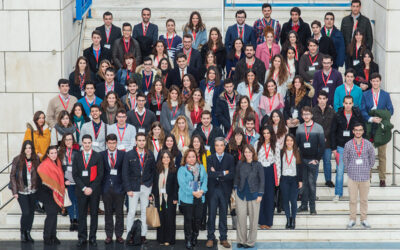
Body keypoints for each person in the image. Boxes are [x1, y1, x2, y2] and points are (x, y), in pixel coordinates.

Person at [361, 73, 394, 187]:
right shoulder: (365, 95)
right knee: (368, 154)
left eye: (377, 81)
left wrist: (381, 116)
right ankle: (368, 177)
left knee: (382, 154)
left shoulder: (385, 95)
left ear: (380, 82)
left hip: (381, 128)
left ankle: (382, 178)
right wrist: (371, 118)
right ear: (370, 82)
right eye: (373, 81)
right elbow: (362, 110)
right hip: (370, 126)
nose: (375, 83)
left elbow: (390, 110)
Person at [123, 132, 156, 245]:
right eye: (139, 140)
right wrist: (128, 189)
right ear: (136, 141)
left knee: (144, 212)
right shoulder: (129, 155)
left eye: (143, 140)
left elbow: (153, 171)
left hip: (146, 187)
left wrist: (151, 183)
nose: (141, 142)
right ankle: (129, 235)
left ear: (145, 142)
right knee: (131, 212)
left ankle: (143, 235)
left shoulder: (150, 154)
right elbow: (125, 173)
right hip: (133, 188)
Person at [331, 95, 365, 201]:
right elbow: (332, 132)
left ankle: (354, 194)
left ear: (353, 104)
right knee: (340, 171)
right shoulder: (337, 115)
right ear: (343, 104)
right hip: (340, 147)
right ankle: (338, 193)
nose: (348, 105)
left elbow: (363, 129)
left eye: (350, 103)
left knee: (354, 171)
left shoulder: (358, 115)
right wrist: (334, 148)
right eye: (346, 103)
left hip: (354, 147)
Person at [73, 135, 104, 247]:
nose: (87, 145)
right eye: (85, 143)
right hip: (81, 191)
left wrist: (91, 188)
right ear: (82, 143)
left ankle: (92, 237)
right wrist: (84, 188)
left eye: (89, 142)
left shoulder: (97, 156)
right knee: (82, 215)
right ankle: (82, 238)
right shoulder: (77, 156)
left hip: (94, 191)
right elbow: (75, 175)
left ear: (91, 143)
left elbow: (100, 174)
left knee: (94, 215)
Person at [343, 123, 375, 229]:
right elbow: (345, 159)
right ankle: (352, 219)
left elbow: (372, 159)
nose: (358, 132)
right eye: (356, 130)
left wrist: (367, 168)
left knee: (364, 200)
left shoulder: (368, 144)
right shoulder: (348, 144)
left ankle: (363, 219)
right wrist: (350, 168)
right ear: (353, 131)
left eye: (360, 130)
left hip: (365, 177)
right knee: (352, 200)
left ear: (363, 131)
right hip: (352, 177)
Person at [205, 138, 234, 248]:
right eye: (217, 145)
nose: (219, 147)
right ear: (214, 146)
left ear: (224, 146)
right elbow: (209, 174)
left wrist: (216, 173)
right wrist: (223, 173)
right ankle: (210, 237)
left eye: (221, 145)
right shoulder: (210, 158)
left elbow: (231, 174)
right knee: (211, 215)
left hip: (225, 190)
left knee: (223, 215)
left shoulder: (230, 158)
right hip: (213, 190)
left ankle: (223, 238)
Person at [296, 106, 325, 215]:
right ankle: (304, 206)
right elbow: (296, 145)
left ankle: (312, 207)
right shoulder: (299, 128)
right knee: (303, 185)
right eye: (304, 114)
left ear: (312, 115)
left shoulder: (318, 128)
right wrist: (299, 160)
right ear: (302, 116)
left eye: (308, 114)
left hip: (313, 161)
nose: (306, 116)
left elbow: (322, 145)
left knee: (312, 185)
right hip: (302, 160)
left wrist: (316, 160)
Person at [234, 144, 264, 248]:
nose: (247, 154)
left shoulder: (258, 165)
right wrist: (235, 190)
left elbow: (262, 181)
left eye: (249, 152)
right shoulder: (240, 164)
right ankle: (241, 240)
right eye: (245, 152)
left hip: (254, 195)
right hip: (241, 195)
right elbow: (236, 177)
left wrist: (260, 194)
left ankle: (250, 242)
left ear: (253, 153)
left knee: (253, 220)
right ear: (243, 153)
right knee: (241, 218)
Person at [10, 140, 40, 242]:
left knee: (31, 212)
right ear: (24, 149)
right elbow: (13, 175)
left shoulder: (36, 159)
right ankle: (22, 232)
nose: (28, 150)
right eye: (26, 148)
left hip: (33, 191)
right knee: (26, 212)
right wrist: (14, 191)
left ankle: (28, 232)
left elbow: (40, 174)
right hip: (21, 191)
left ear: (32, 149)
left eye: (30, 148)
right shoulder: (17, 159)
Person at [177, 149, 208, 249]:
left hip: (199, 197)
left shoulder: (201, 167)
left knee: (198, 219)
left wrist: (202, 191)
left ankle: (195, 235)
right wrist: (193, 192)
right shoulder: (182, 169)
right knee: (188, 220)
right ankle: (188, 239)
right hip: (187, 199)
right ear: (185, 158)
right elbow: (183, 184)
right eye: (189, 157)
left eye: (193, 156)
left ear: (196, 157)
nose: (191, 159)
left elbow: (205, 180)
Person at [37, 146, 65, 245]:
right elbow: (41, 182)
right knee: (51, 215)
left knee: (54, 215)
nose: (54, 155)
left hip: (56, 193)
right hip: (47, 194)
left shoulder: (57, 163)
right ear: (47, 154)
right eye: (51, 153)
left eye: (55, 153)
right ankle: (47, 237)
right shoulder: (44, 165)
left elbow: (59, 177)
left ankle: (53, 236)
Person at [101, 134, 126, 244]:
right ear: (106, 143)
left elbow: (124, 172)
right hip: (106, 188)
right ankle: (109, 235)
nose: (111, 145)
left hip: (119, 189)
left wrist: (124, 188)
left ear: (117, 143)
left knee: (119, 213)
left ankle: (119, 235)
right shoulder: (101, 155)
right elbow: (100, 173)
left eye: (113, 143)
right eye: (109, 143)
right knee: (108, 213)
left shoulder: (122, 155)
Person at [256, 125, 280, 229]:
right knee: (261, 196)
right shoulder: (257, 143)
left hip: (270, 171)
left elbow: (278, 161)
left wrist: (278, 177)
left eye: (268, 133)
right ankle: (261, 221)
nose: (266, 135)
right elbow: (255, 159)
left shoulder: (276, 144)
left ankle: (268, 222)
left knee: (270, 197)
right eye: (264, 133)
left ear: (271, 134)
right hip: (260, 170)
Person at [152, 150, 178, 246]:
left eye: (168, 157)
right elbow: (154, 184)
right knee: (161, 218)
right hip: (159, 198)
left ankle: (169, 239)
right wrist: (152, 196)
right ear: (161, 159)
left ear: (170, 159)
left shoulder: (174, 170)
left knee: (170, 219)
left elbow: (176, 185)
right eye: (164, 157)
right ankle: (161, 239)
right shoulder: (157, 170)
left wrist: (175, 197)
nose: (166, 159)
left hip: (170, 199)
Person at [311, 91, 335, 187]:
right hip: (316, 142)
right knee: (315, 162)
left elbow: (333, 127)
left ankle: (328, 180)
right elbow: (311, 126)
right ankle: (313, 181)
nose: (322, 101)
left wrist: (325, 137)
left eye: (323, 99)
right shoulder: (312, 111)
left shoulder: (332, 112)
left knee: (327, 162)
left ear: (327, 100)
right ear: (317, 99)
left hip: (328, 142)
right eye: (320, 98)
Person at [280, 134, 303, 229]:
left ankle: (293, 219)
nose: (289, 142)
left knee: (293, 200)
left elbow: (300, 167)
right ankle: (288, 219)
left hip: (294, 179)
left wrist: (300, 180)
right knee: (285, 200)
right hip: (284, 179)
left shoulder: (297, 152)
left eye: (291, 140)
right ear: (285, 142)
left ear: (294, 142)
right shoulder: (282, 152)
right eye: (287, 140)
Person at [58, 133, 79, 231]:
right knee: (69, 202)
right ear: (64, 141)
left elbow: (80, 167)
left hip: (77, 181)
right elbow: (58, 169)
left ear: (73, 140)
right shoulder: (60, 153)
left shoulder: (77, 152)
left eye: (70, 139)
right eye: (66, 140)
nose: (68, 141)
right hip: (67, 182)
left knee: (77, 201)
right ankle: (71, 221)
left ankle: (77, 221)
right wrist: (64, 180)